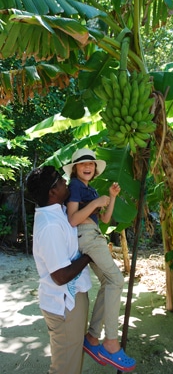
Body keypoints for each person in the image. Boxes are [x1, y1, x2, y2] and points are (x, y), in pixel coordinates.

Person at [63, 148, 136, 372]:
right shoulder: (75, 186)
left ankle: (93, 338)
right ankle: (110, 343)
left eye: (92, 164)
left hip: (94, 235)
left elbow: (104, 219)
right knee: (116, 280)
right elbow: (73, 219)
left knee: (109, 282)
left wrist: (111, 198)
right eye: (83, 164)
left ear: (95, 169)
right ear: (75, 168)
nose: (88, 166)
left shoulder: (91, 189)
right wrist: (95, 204)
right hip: (86, 237)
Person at [26, 165, 92, 374]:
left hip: (71, 300)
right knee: (65, 367)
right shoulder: (50, 226)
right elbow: (60, 276)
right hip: (63, 304)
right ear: (52, 192)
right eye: (61, 181)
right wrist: (89, 255)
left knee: (72, 359)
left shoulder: (59, 211)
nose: (66, 182)